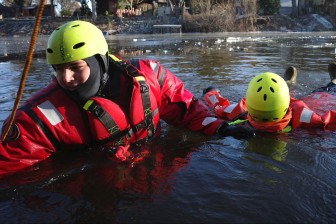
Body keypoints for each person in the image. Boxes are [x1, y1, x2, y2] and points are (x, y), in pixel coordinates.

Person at [0, 20, 253, 178]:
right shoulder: (37, 118)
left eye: (75, 67)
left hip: (151, 177)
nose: (64, 78)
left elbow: (187, 110)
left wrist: (221, 128)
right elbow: (10, 166)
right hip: (99, 191)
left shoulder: (151, 76)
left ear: (99, 61)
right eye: (57, 69)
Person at [203, 62, 336, 133]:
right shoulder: (304, 117)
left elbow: (218, 105)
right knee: (321, 95)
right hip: (299, 108)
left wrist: (210, 92)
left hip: (278, 107)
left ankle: (287, 83)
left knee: (312, 95)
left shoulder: (239, 113)